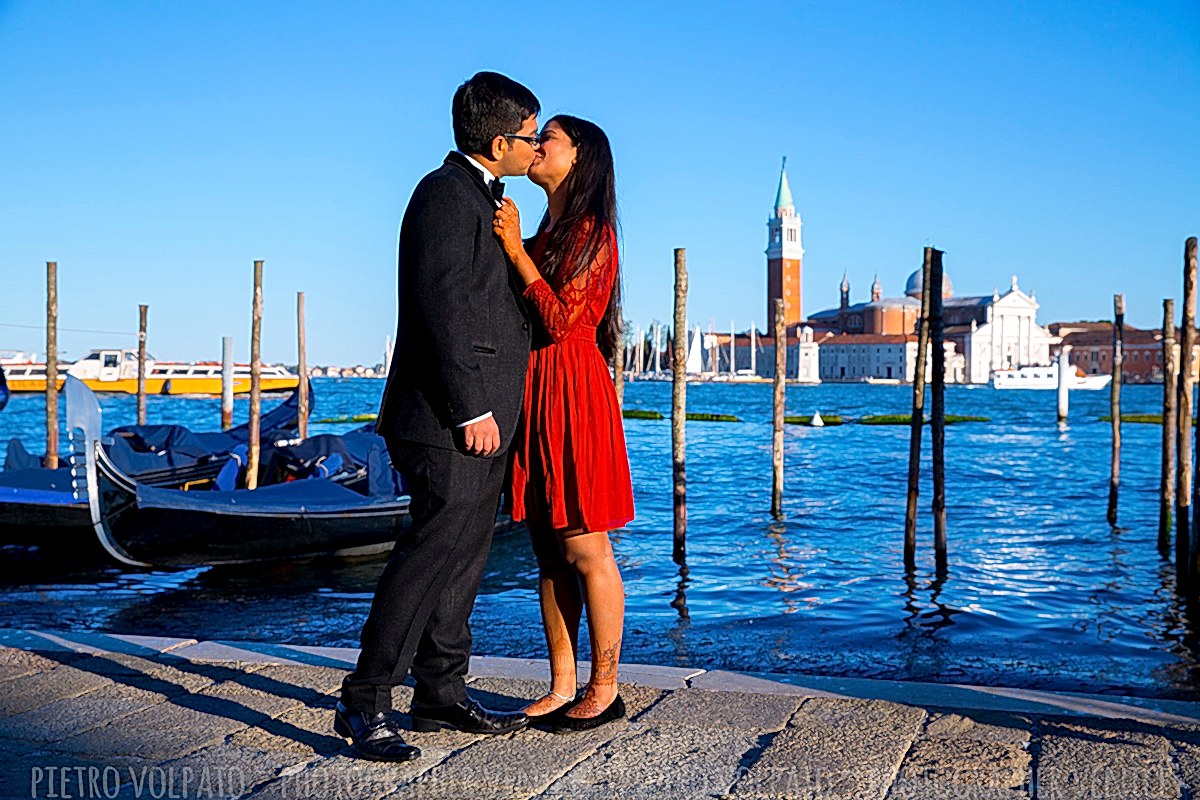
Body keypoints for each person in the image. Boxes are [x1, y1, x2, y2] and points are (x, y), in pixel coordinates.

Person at [335, 71, 541, 762]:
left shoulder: (485, 198)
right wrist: (471, 407)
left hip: (484, 416)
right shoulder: (445, 196)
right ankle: (365, 703)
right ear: (498, 139)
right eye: (530, 136)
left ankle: (440, 693)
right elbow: (441, 309)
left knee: (464, 557)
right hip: (449, 418)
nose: (536, 146)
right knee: (427, 557)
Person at [492, 114, 635, 732]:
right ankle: (561, 684)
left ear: (579, 158)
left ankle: (605, 687)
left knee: (584, 544)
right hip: (538, 387)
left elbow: (564, 323)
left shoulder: (592, 231)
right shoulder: (551, 225)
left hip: (573, 388)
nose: (537, 144)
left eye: (549, 137)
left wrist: (517, 253)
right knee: (548, 550)